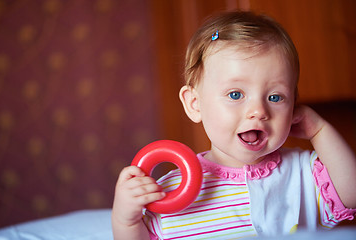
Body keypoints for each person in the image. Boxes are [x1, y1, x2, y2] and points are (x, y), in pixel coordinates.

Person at [111, 11, 356, 240]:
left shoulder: (303, 173)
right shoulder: (172, 190)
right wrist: (127, 221)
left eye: (275, 97)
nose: (259, 111)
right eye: (236, 94)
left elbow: (352, 194)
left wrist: (319, 130)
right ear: (195, 104)